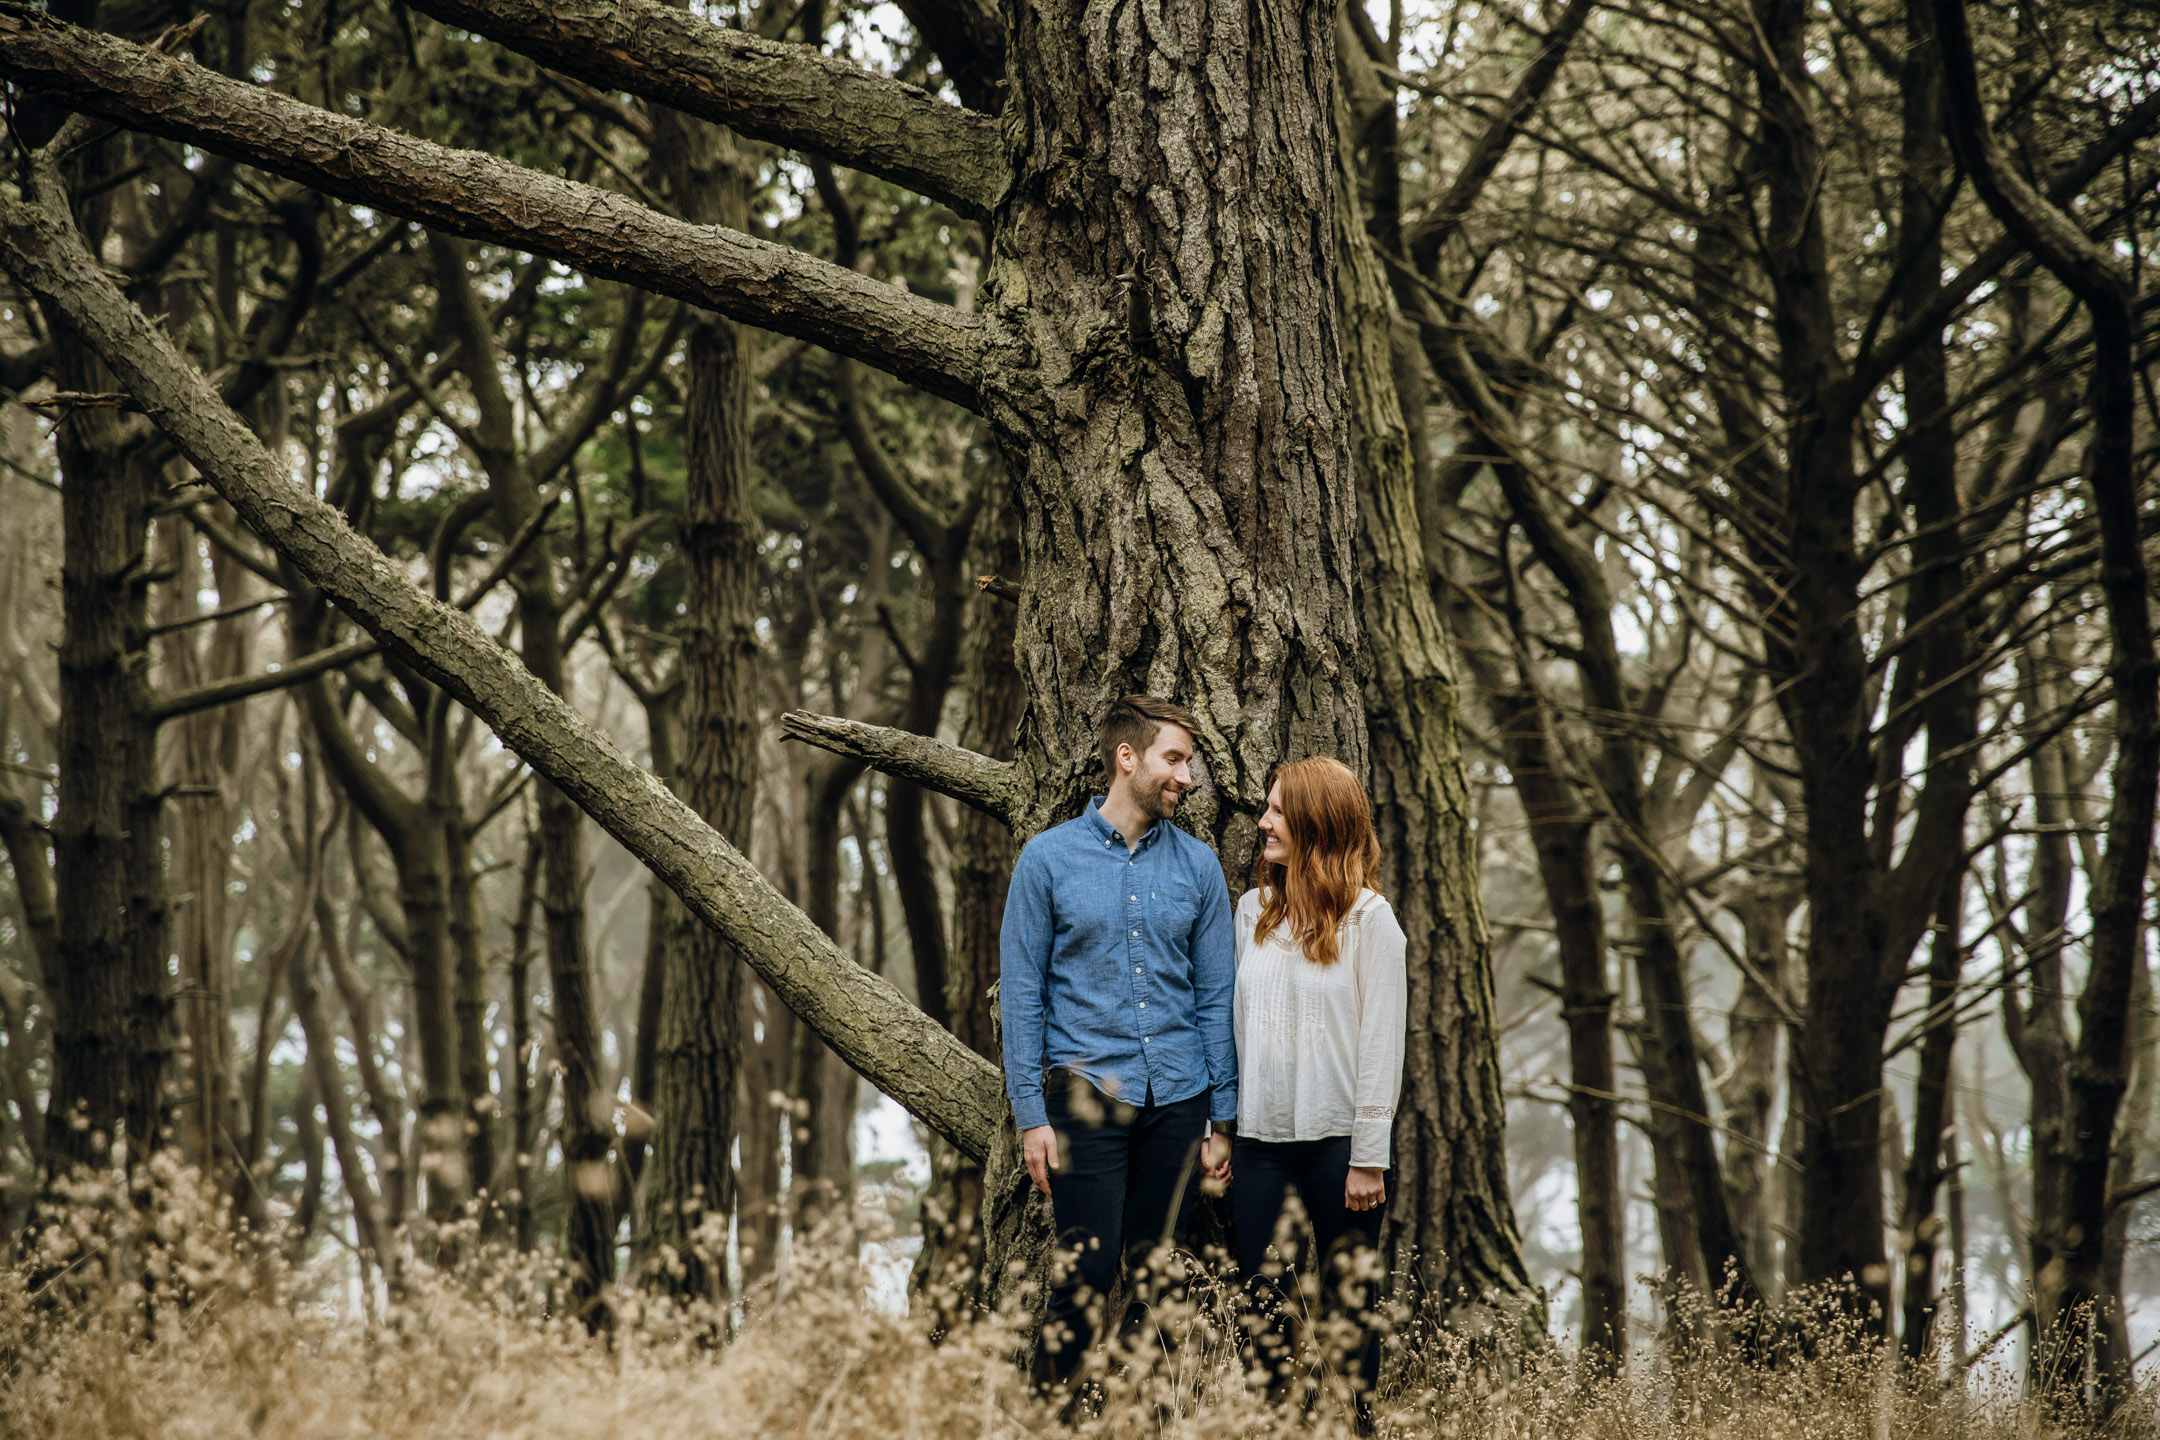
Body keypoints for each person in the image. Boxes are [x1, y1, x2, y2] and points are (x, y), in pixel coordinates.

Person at [998, 694, 1237, 1394]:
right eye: (1173, 759)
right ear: (1126, 758)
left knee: (1159, 1272)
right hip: (1086, 1095)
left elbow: (1215, 998)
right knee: (1087, 1271)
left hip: (1179, 1096)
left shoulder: (1197, 867)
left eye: (1187, 763)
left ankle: (1119, 1414)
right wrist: (1030, 1117)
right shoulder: (1046, 861)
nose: (1185, 777)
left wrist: (1221, 1119)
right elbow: (1021, 996)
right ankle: (1043, 1417)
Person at [1222, 756, 1407, 1401]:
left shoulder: (1369, 920)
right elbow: (1233, 1028)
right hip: (1260, 1142)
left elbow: (1383, 1043)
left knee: (1351, 1314)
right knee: (1261, 1309)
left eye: (1277, 810)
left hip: (1340, 1148)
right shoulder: (1252, 913)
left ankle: (1353, 1421)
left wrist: (1369, 1157)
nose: (1263, 822)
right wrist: (1224, 1131)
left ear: (1315, 823)